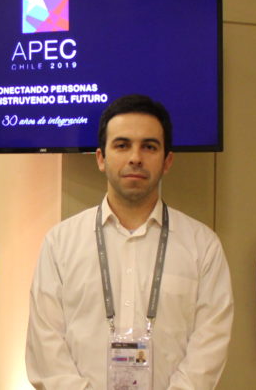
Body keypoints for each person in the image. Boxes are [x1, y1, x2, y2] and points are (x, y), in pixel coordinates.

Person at [25, 95, 232, 389]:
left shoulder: (203, 246)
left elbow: (209, 347)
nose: (135, 157)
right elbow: (46, 346)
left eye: (149, 146)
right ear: (101, 158)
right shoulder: (60, 243)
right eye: (122, 145)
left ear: (167, 161)